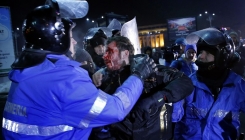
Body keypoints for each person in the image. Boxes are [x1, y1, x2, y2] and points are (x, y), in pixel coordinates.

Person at [2, 2, 157, 140]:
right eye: (70, 36)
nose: (74, 41)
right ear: (57, 39)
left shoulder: (27, 70)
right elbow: (116, 109)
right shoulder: (66, 79)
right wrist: (138, 76)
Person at [90, 36, 194, 140]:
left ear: (125, 53)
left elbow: (185, 82)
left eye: (110, 52)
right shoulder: (105, 78)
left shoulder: (151, 70)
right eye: (105, 52)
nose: (105, 56)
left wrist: (157, 98)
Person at [173, 27, 244, 140]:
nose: (201, 56)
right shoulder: (189, 83)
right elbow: (178, 124)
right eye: (200, 51)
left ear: (222, 57)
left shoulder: (238, 86)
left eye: (208, 53)